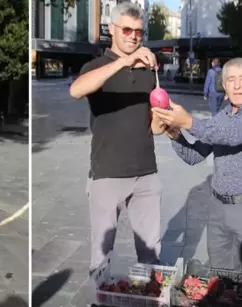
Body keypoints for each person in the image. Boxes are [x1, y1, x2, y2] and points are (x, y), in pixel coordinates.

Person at [151, 57, 242, 282]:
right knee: (219, 279)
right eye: (231, 80)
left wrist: (188, 121)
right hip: (218, 210)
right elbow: (194, 155)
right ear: (224, 86)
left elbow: (233, 135)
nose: (237, 85)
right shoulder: (221, 117)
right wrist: (174, 132)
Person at [69, 2, 167, 273]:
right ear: (112, 29)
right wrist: (124, 62)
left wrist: (165, 118)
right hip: (107, 173)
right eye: (127, 30)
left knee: (151, 256)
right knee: (101, 259)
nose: (133, 37)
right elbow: (76, 90)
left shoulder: (149, 70)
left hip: (146, 174)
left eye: (139, 32)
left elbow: (154, 127)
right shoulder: (96, 65)